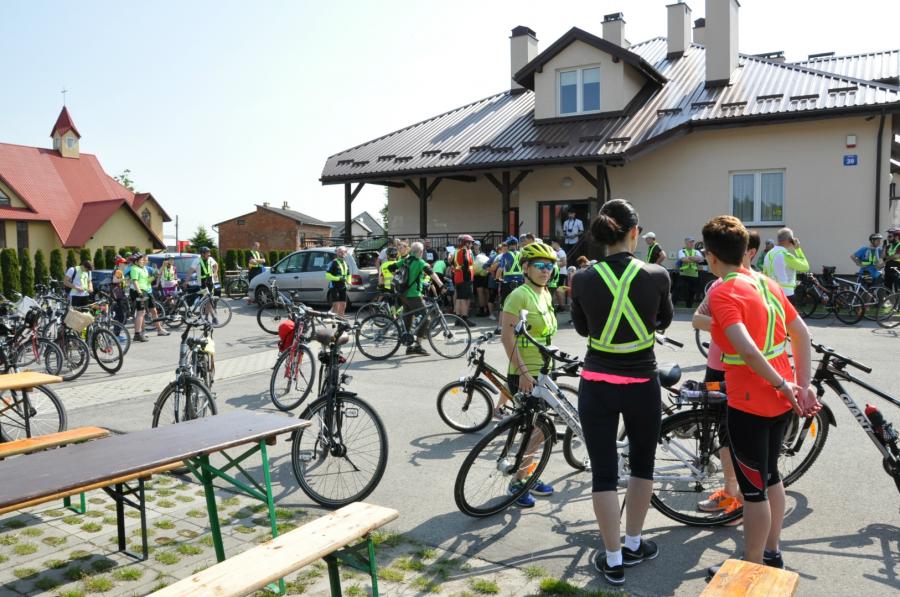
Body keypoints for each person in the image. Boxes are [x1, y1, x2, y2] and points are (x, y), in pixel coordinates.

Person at [703, 215, 819, 577]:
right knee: (771, 477)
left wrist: (784, 385)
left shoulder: (723, 290)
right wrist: (802, 383)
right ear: (746, 251)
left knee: (754, 491)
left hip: (750, 402)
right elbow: (801, 333)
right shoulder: (767, 283)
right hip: (780, 400)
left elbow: (749, 352)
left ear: (710, 256)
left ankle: (752, 566)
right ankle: (772, 553)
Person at [570, 199, 673, 586]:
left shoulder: (582, 278)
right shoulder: (657, 274)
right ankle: (633, 543)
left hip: (597, 382)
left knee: (603, 473)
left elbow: (583, 329)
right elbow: (663, 320)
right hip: (643, 383)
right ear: (634, 233)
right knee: (643, 466)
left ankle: (613, 559)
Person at [692, 230, 762, 523]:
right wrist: (729, 323)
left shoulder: (759, 284)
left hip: (743, 369)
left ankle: (744, 499)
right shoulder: (717, 285)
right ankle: (730, 491)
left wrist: (727, 324)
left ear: (750, 252)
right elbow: (697, 319)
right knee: (721, 431)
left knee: (740, 436)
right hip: (716, 365)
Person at [499, 241, 559, 507]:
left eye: (550, 266)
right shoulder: (519, 295)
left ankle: (528, 475)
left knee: (540, 431)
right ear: (525, 267)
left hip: (544, 372)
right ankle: (518, 482)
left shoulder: (544, 293)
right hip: (525, 373)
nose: (546, 270)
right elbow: (507, 337)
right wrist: (523, 372)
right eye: (540, 265)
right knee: (534, 432)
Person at [397, 242, 444, 356]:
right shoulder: (420, 262)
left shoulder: (405, 260)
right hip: (414, 295)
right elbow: (431, 272)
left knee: (408, 319)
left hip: (403, 295)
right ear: (421, 252)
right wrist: (441, 285)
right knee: (426, 319)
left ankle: (408, 346)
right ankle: (417, 346)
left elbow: (391, 267)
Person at [762, 228, 809, 301]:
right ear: (790, 240)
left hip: (772, 294)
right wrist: (797, 249)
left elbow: (765, 274)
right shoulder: (786, 255)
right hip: (787, 294)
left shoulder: (768, 254)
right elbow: (805, 267)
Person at [451, 234, 475, 326]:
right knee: (465, 299)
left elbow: (452, 263)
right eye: (470, 243)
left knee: (459, 298)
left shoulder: (457, 250)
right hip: (465, 277)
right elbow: (466, 263)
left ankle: (458, 319)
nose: (471, 245)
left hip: (458, 277)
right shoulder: (465, 251)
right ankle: (464, 318)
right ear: (466, 243)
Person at [677, 237, 703, 308]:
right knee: (681, 290)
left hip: (694, 274)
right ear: (686, 243)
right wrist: (695, 259)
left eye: (692, 242)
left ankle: (689, 306)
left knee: (692, 291)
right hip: (684, 274)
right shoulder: (682, 251)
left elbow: (701, 259)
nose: (692, 243)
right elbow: (683, 259)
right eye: (690, 242)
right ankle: (673, 304)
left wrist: (689, 257)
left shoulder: (696, 251)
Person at [497, 236, 523, 306]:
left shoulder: (505, 255)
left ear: (508, 245)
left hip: (508, 281)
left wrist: (497, 279)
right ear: (516, 245)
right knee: (519, 302)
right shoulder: (521, 254)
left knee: (505, 302)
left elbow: (500, 268)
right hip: (520, 281)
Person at [326, 246, 351, 316]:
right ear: (337, 253)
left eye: (344, 252)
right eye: (340, 252)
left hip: (343, 287)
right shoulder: (333, 263)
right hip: (334, 286)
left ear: (346, 253)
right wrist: (339, 278)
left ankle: (341, 321)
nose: (342, 253)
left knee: (343, 305)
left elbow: (348, 275)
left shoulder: (345, 263)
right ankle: (333, 320)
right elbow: (327, 276)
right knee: (336, 306)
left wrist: (349, 283)